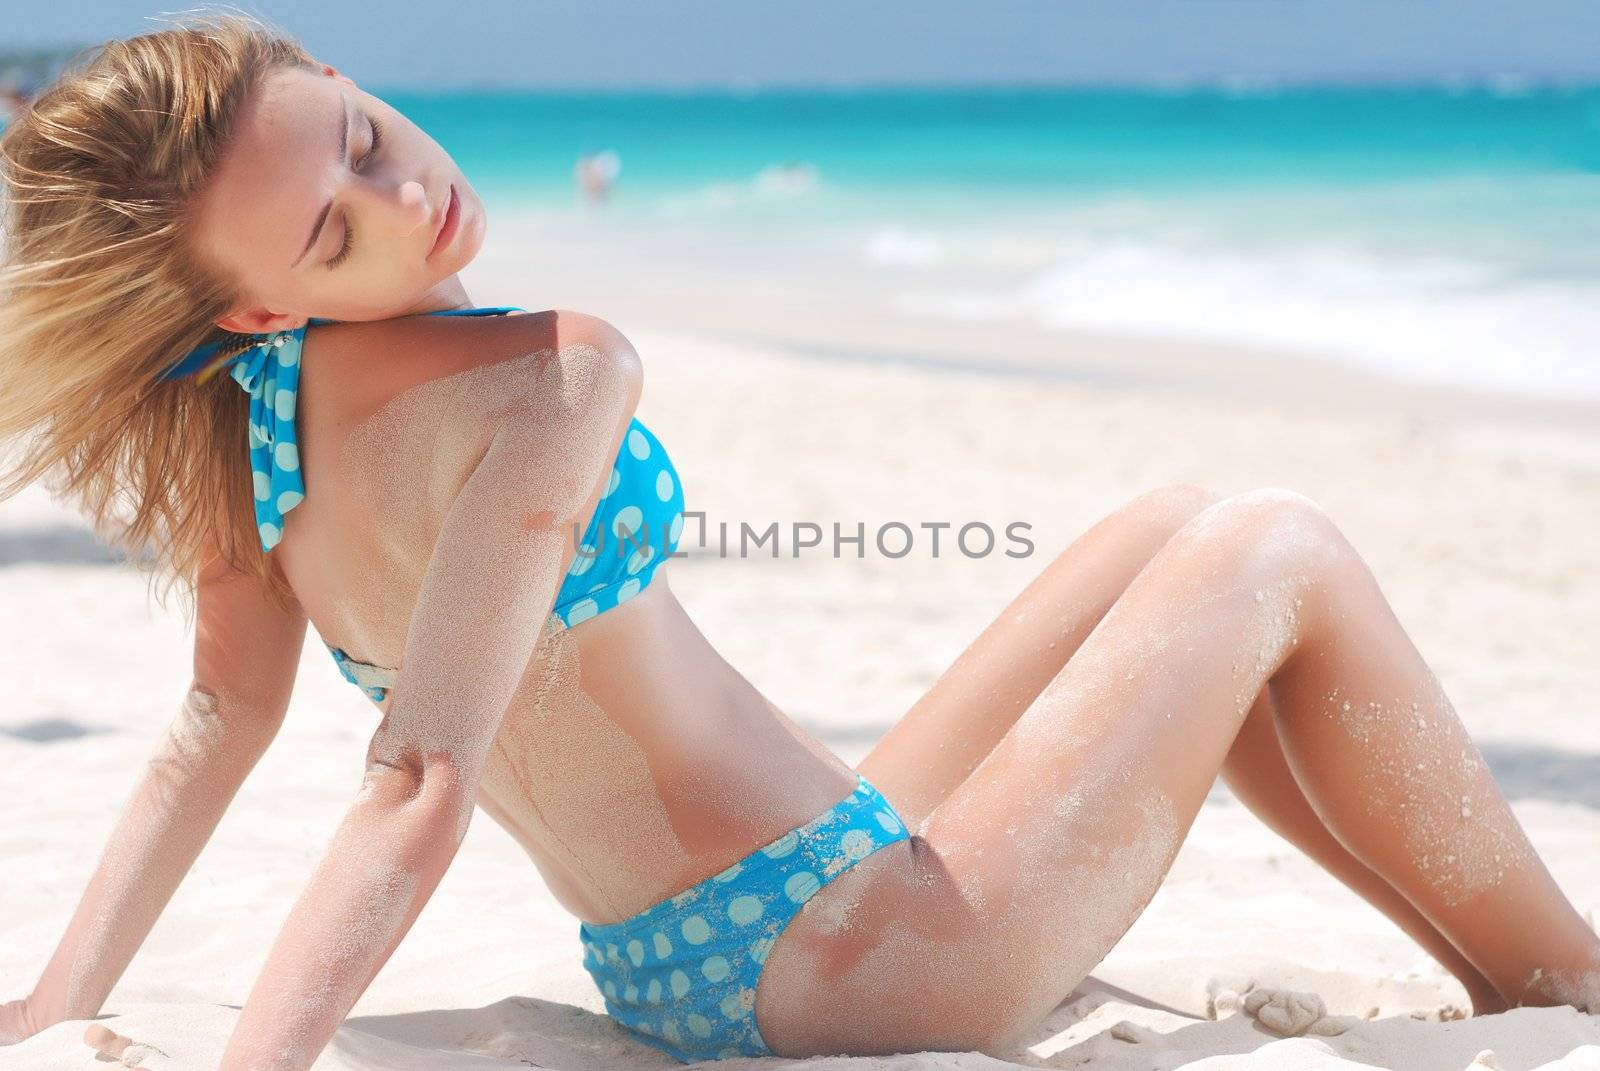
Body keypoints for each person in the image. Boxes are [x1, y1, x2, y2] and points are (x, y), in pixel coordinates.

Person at [0, 11, 1595, 1069]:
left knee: (1168, 533)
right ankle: (1565, 980)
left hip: (693, 947)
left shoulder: (255, 420)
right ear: (263, 299)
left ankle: (1501, 964)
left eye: (359, 132)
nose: (409, 193)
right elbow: (418, 783)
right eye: (337, 223)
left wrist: (57, 1006)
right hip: (855, 963)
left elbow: (217, 723)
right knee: (1277, 543)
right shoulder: (556, 375)